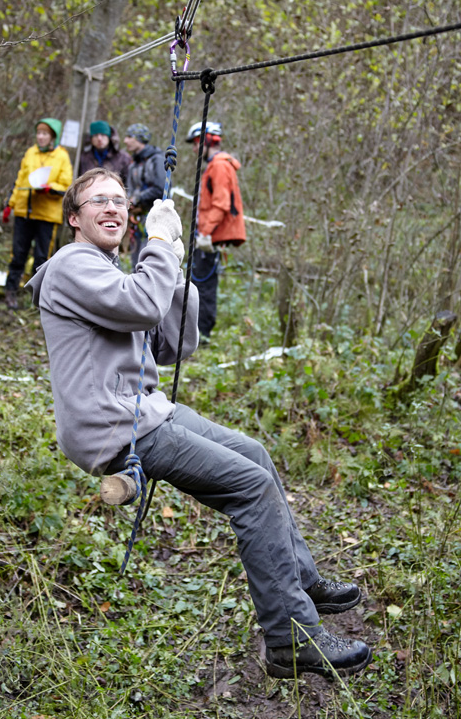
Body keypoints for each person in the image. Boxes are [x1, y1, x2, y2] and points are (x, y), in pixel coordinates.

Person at [25, 167, 372, 681]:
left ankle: (301, 581)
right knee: (251, 488)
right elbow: (142, 304)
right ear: (74, 219)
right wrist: (160, 247)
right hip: (116, 427)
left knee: (253, 453)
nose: (113, 208)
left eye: (120, 200)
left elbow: (172, 347)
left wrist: (174, 264)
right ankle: (292, 642)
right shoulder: (73, 264)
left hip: (145, 408)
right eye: (98, 201)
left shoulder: (110, 269)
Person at [185, 121, 247, 343]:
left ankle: (202, 334)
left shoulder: (219, 166)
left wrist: (205, 234)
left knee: (203, 286)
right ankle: (197, 332)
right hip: (209, 235)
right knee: (199, 283)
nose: (194, 149)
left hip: (210, 237)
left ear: (208, 140)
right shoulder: (215, 165)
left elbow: (220, 204)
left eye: (196, 143)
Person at [3, 117, 72, 311]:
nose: (40, 137)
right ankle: (10, 292)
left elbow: (66, 184)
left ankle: (39, 299)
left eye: (45, 134)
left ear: (53, 137)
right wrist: (10, 204)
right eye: (39, 133)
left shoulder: (61, 156)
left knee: (42, 257)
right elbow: (20, 180)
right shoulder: (30, 153)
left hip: (47, 215)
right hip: (24, 212)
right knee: (18, 254)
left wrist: (50, 188)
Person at [123, 123, 165, 267]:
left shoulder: (156, 159)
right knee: (136, 261)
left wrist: (137, 198)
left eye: (129, 137)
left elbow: (161, 189)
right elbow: (130, 190)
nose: (125, 141)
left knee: (147, 262)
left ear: (139, 139)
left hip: (154, 220)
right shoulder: (134, 164)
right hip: (138, 219)